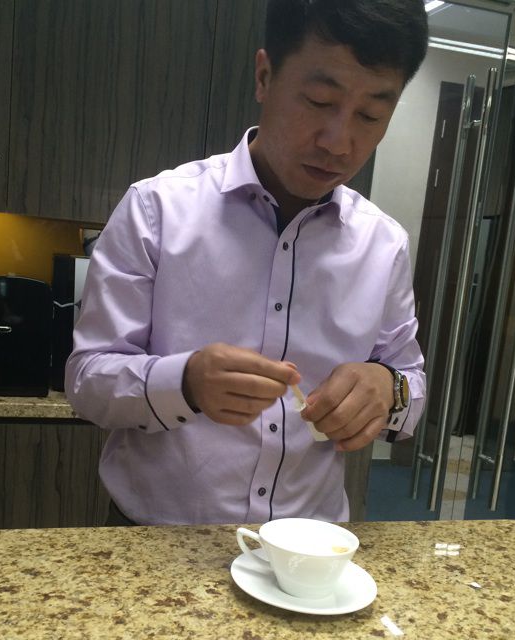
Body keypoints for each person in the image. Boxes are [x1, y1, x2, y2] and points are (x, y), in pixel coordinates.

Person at [65, 0, 428, 526]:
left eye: (370, 115)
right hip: (159, 544)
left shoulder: (384, 244)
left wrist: (386, 389)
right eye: (319, 101)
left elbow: (410, 385)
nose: (339, 142)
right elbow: (87, 381)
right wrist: (185, 382)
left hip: (309, 550)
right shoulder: (157, 209)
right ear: (264, 77)